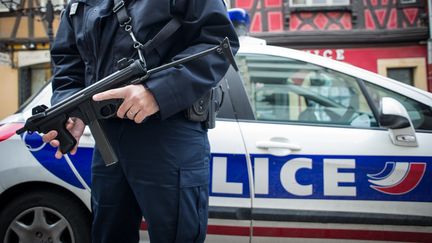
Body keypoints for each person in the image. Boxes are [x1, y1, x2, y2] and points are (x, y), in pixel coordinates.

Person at [42, 0, 239, 242]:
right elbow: (69, 62)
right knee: (108, 235)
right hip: (108, 139)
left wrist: (156, 92)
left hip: (168, 132)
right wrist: (71, 111)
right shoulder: (79, 3)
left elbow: (217, 42)